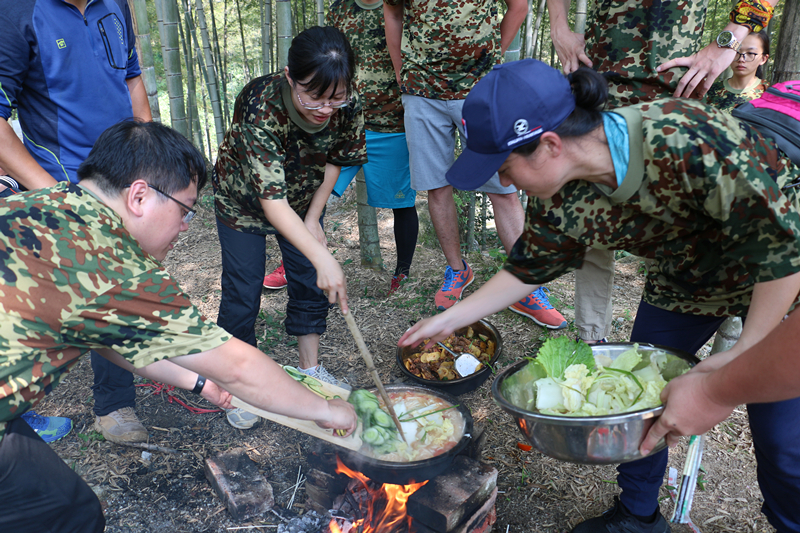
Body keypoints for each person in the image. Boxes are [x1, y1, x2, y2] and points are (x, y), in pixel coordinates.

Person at [399, 60, 800, 533]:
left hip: (781, 281)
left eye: (505, 168)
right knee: (640, 400)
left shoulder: (688, 140)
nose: (504, 184)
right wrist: (452, 319)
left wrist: (738, 367)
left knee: (783, 442)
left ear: (549, 145)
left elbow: (783, 258)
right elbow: (530, 268)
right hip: (686, 279)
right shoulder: (562, 192)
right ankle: (637, 516)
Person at [0, 119, 357, 533]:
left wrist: (200, 384)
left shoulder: (51, 203)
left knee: (65, 505)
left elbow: (106, 341)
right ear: (139, 196)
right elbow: (237, 366)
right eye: (184, 210)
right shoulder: (112, 263)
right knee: (69, 517)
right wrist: (325, 408)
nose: (186, 226)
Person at [545, 0, 779, 344]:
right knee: (590, 226)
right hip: (600, 84)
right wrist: (559, 27)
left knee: (690, 229)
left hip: (675, 90)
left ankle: (721, 347)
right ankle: (592, 344)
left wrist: (731, 36)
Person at [0, 0, 154, 443]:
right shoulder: (16, 13)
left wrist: (149, 147)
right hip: (65, 179)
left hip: (126, 170)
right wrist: (51, 192)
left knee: (123, 281)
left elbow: (131, 78)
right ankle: (23, 412)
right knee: (58, 295)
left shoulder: (115, 4)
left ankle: (115, 401)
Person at [213, 26, 366, 428]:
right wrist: (324, 256)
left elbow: (338, 157)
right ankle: (239, 386)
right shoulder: (260, 105)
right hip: (244, 201)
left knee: (309, 282)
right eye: (313, 96)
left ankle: (310, 372)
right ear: (288, 76)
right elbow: (271, 201)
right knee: (243, 293)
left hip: (301, 200)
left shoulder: (346, 101)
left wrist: (314, 216)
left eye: (336, 98)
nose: (325, 108)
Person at [382, 0, 568, 329]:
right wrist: (401, 74)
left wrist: (492, 60)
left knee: (504, 189)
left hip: (481, 90)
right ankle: (457, 270)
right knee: (436, 187)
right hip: (422, 91)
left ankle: (527, 284)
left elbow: (519, 6)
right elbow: (393, 12)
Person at [326, 0, 419, 295]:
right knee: (316, 190)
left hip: (392, 122)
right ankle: (296, 263)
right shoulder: (339, 9)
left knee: (402, 202)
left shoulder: (403, 6)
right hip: (345, 119)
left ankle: (401, 273)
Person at [640, 307, 800, 455]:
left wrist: (711, 393)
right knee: (643, 421)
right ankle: (637, 485)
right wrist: (747, 345)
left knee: (781, 440)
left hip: (786, 292)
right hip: (686, 285)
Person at [704, 31, 770, 113]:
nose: (741, 59)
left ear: (763, 59)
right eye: (736, 52)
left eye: (750, 53)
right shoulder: (710, 91)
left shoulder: (770, 94)